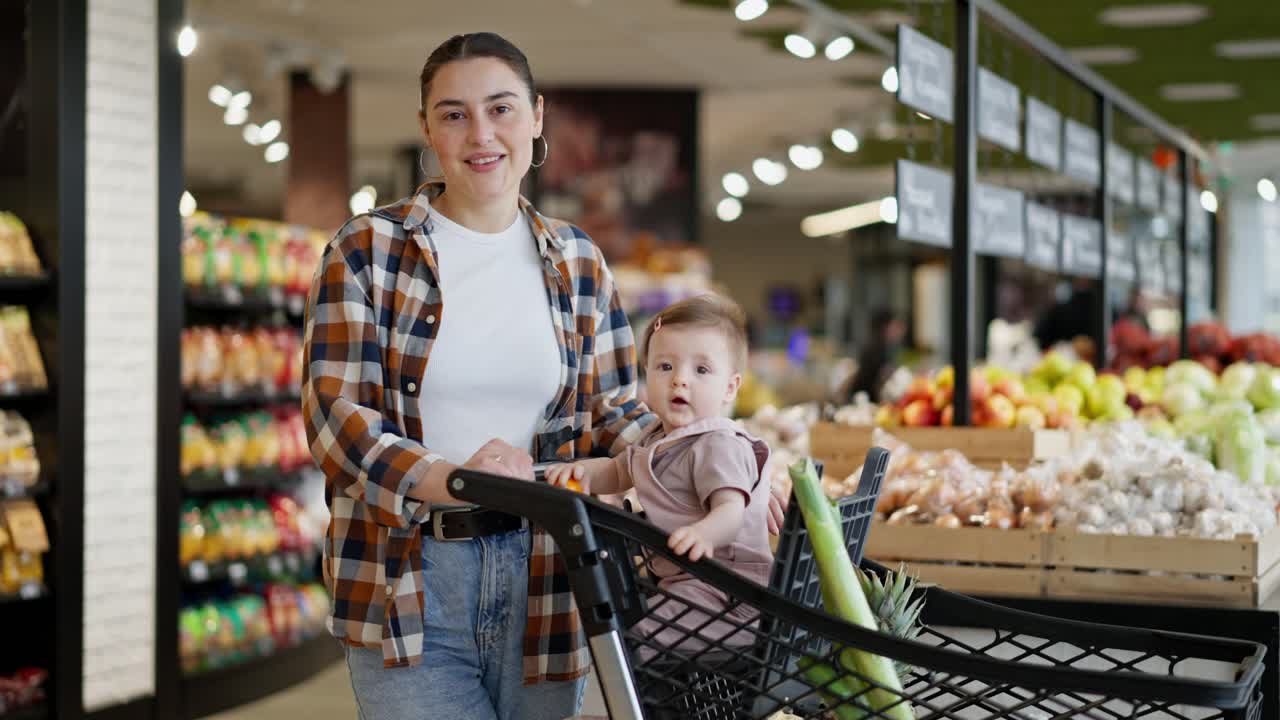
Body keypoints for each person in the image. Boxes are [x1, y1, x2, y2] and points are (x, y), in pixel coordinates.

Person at [301, 33, 786, 720]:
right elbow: (338, 423)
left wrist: (721, 460)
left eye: (500, 109)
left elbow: (618, 412)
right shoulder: (366, 250)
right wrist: (461, 480)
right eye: (454, 114)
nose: (481, 134)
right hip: (406, 580)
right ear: (427, 129)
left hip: (551, 576)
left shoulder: (578, 260)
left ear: (535, 117)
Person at [545, 294, 773, 654]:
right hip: (688, 582)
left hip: (728, 592)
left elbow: (731, 512)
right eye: (665, 367)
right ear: (645, 374)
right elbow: (616, 471)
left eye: (701, 370)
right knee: (636, 635)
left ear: (730, 387)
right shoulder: (657, 438)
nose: (680, 380)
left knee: (636, 644)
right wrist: (579, 471)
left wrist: (704, 533)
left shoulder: (718, 444)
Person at [844, 308, 907, 404]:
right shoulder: (876, 349)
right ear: (886, 327)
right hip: (865, 400)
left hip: (865, 398)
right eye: (897, 325)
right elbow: (877, 382)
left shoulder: (882, 346)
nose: (902, 330)